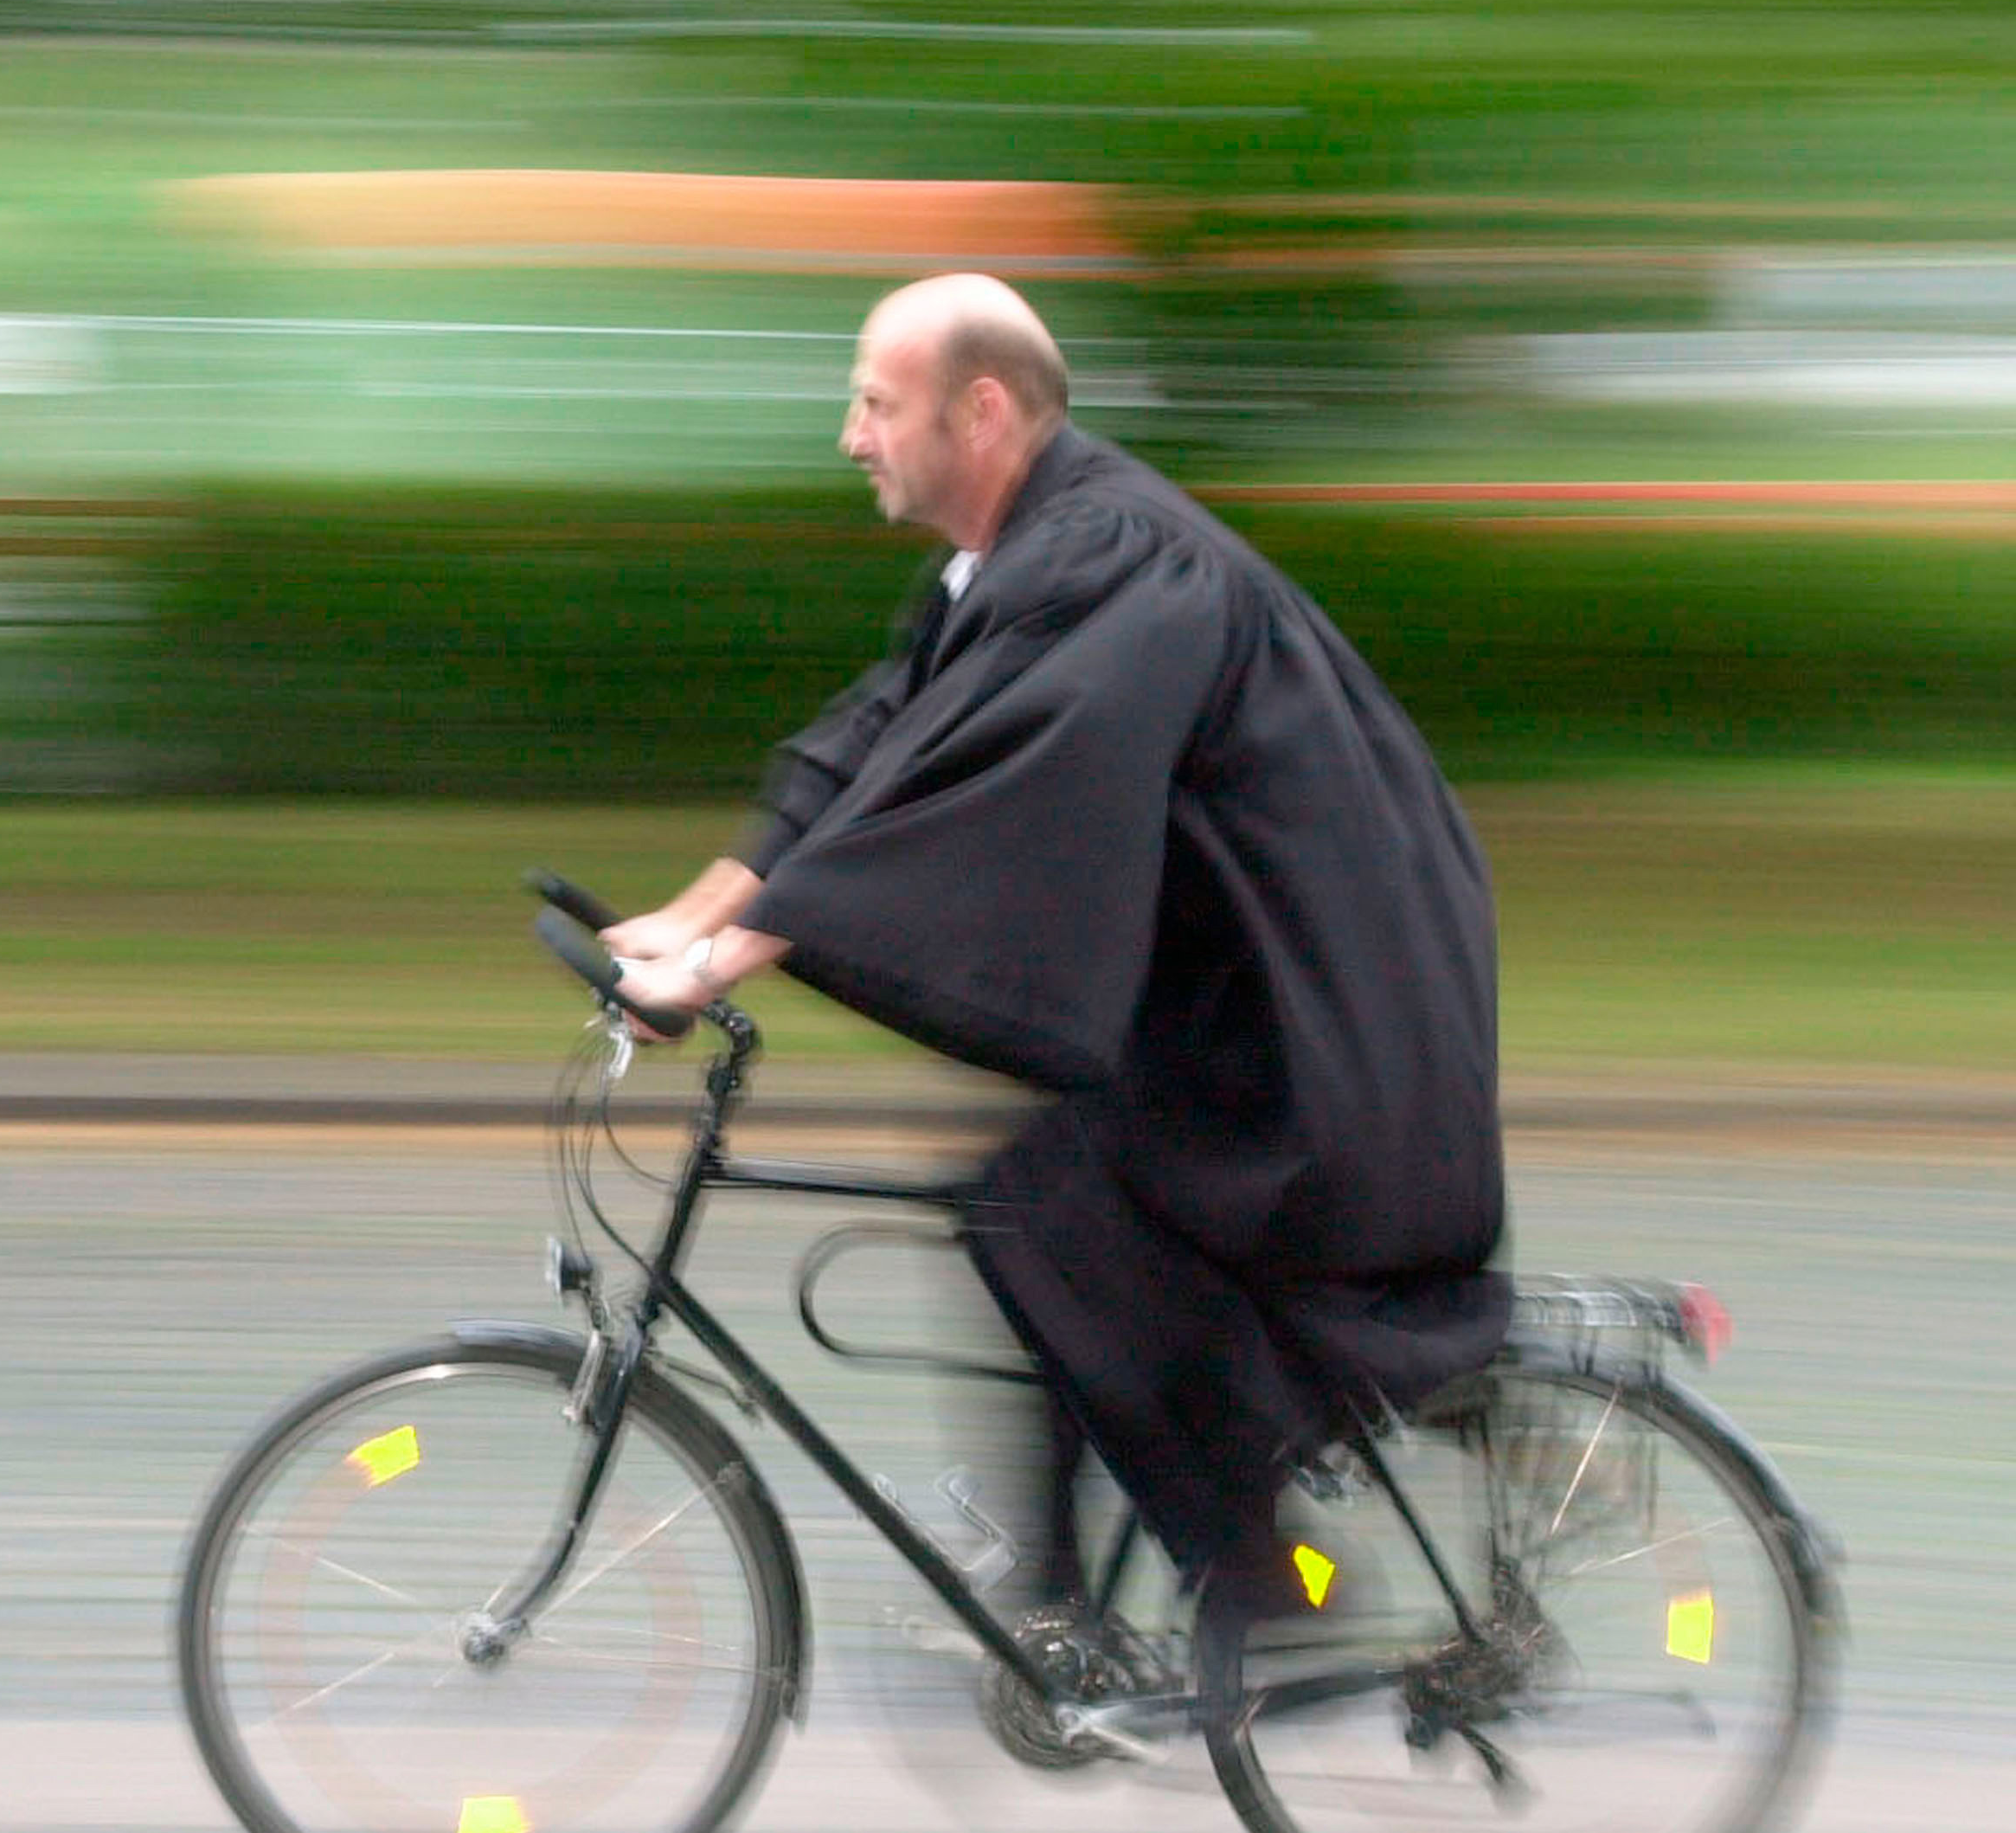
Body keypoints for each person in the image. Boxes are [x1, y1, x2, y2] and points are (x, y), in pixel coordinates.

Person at [604, 272, 1509, 1630]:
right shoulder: (1018, 565)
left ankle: (1270, 1592)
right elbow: (875, 752)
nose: (852, 436)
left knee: (1048, 1208)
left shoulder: (1113, 559)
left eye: (874, 402)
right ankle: (1066, 1601)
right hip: (1260, 1009)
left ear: (979, 410)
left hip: (1325, 1033)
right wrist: (685, 917)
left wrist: (725, 968)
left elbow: (973, 782)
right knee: (1036, 1205)